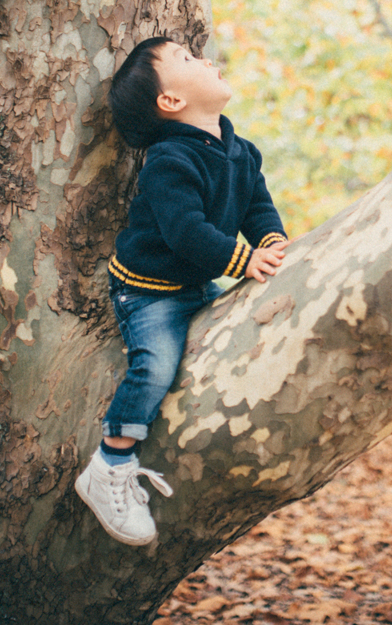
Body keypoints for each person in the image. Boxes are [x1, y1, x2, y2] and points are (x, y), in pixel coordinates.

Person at [75, 36, 289, 546]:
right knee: (156, 367)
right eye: (186, 60)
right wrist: (244, 261)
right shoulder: (169, 160)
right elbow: (185, 231)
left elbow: (257, 208)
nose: (205, 59)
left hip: (196, 281)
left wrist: (274, 242)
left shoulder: (240, 152)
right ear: (170, 102)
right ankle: (109, 465)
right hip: (148, 292)